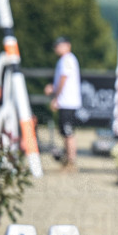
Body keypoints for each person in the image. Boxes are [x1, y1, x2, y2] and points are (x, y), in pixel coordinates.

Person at [44, 36, 82, 172]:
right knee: (65, 132)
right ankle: (68, 160)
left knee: (68, 132)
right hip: (66, 101)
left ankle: (71, 162)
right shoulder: (65, 60)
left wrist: (56, 97)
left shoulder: (67, 60)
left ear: (67, 45)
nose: (57, 48)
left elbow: (63, 79)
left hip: (68, 102)